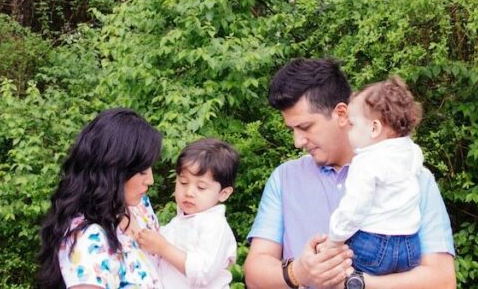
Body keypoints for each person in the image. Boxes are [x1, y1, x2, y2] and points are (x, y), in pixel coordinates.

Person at [243, 59, 456, 289]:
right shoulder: (285, 178)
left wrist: (357, 283)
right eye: (292, 130)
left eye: (305, 127)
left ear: (342, 113)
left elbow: (442, 281)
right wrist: (300, 272)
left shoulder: (413, 178)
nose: (297, 142)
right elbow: (255, 274)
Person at [36, 108, 165, 289]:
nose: (150, 180)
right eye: (142, 171)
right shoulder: (89, 239)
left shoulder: (139, 206)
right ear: (114, 171)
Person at [321, 77, 426, 275]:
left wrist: (334, 239)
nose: (348, 130)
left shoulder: (365, 162)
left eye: (352, 124)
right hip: (410, 245)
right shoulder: (413, 151)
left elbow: (355, 207)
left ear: (374, 128)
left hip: (374, 244)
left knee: (340, 273)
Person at [134, 138, 239, 289]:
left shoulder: (215, 226)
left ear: (223, 193)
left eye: (201, 187)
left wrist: (163, 248)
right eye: (183, 182)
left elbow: (203, 273)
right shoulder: (180, 221)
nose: (189, 192)